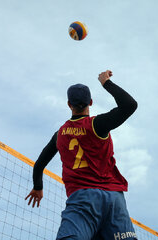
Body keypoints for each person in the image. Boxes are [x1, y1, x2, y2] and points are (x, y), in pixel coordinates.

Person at [25, 70, 138, 240]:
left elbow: (39, 164)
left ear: (69, 104)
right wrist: (106, 82)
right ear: (90, 102)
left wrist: (38, 187)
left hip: (84, 200)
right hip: (114, 200)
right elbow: (130, 105)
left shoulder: (60, 134)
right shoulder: (97, 125)